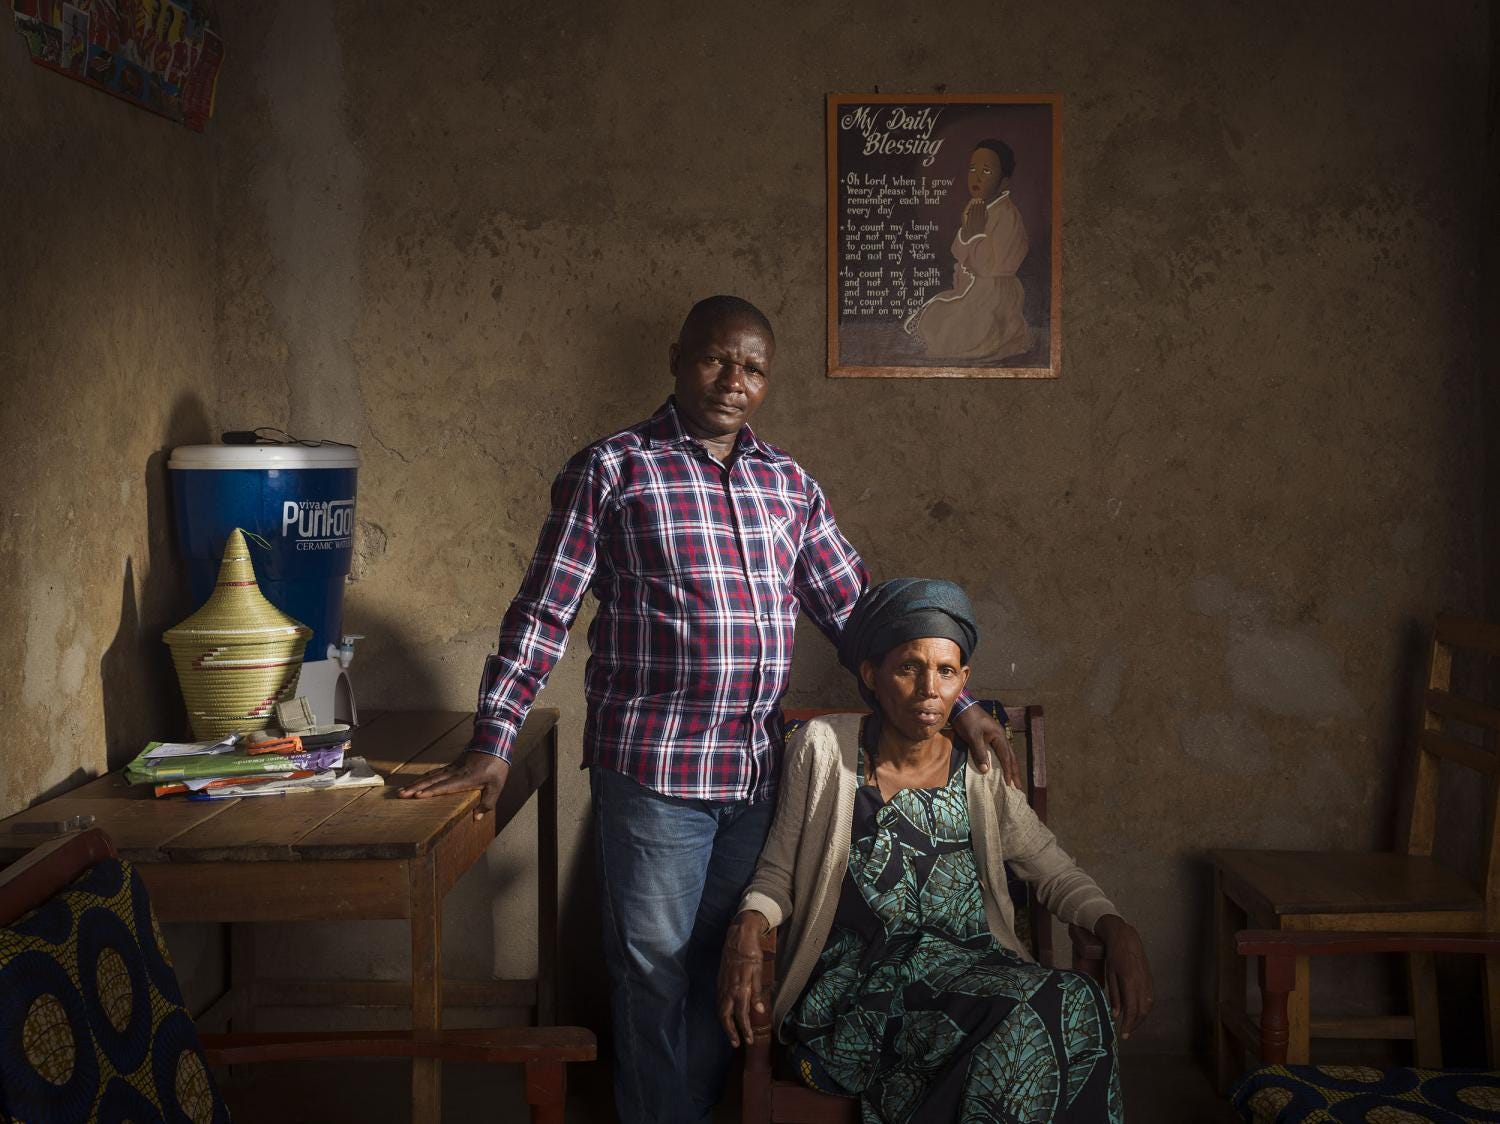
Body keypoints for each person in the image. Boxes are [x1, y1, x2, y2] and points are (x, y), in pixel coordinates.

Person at [397, 297, 1020, 1124]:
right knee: (650, 968)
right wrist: (494, 742)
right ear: (677, 358)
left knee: (724, 961)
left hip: (757, 776)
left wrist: (962, 702)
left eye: (753, 368)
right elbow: (543, 613)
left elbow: (861, 617)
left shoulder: (789, 485)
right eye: (716, 360)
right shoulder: (613, 469)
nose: (733, 381)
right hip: (655, 772)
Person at [718, 578, 1152, 1123]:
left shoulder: (978, 767)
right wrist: (750, 923)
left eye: (946, 672)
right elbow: (778, 871)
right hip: (864, 992)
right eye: (909, 668)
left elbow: (1050, 866)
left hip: (976, 974)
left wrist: (1115, 925)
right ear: (872, 676)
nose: (929, 688)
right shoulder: (824, 748)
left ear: (962, 682)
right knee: (1025, 1016)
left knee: (1073, 998)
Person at [906, 140, 1031, 362]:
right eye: (972, 169)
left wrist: (975, 236)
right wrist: (968, 235)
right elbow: (957, 250)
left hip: (996, 293)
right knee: (937, 317)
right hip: (971, 288)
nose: (977, 177)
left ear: (1003, 182)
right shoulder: (973, 207)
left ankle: (1003, 334)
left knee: (972, 333)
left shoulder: (1008, 216)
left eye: (986, 171)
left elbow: (994, 268)